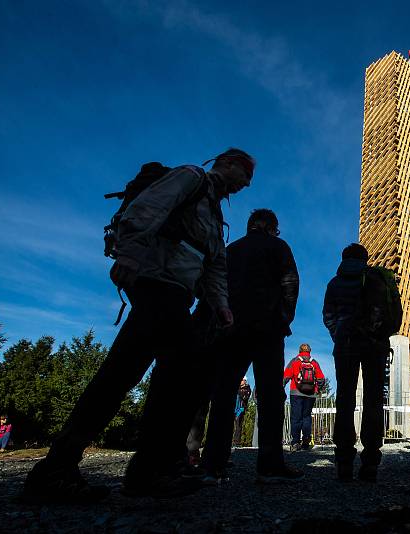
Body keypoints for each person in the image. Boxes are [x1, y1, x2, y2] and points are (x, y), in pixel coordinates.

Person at [23, 148, 255, 503]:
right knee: (158, 373)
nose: (246, 183)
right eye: (245, 173)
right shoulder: (191, 177)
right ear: (228, 163)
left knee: (147, 374)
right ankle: (126, 470)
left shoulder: (214, 212)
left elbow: (215, 264)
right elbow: (146, 209)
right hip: (157, 286)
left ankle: (131, 468)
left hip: (177, 295)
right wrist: (129, 255)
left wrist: (222, 305)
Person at [200, 208, 302, 483]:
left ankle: (213, 462)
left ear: (250, 226)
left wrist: (220, 319)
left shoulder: (231, 249)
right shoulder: (278, 247)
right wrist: (283, 317)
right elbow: (291, 284)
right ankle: (270, 462)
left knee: (223, 394)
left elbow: (214, 284)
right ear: (272, 226)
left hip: (231, 329)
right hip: (268, 330)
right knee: (270, 396)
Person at [323, 243, 402, 482]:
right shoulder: (375, 278)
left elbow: (328, 315)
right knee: (373, 400)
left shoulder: (334, 283)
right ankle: (370, 461)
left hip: (345, 345)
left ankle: (344, 460)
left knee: (345, 400)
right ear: (365, 258)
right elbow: (392, 313)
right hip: (375, 346)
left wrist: (339, 333)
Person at [283, 343, 326, 451]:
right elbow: (321, 378)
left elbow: (286, 376)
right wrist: (318, 389)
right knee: (306, 417)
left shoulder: (295, 360)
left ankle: (295, 442)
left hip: (296, 392)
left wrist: (282, 386)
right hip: (311, 394)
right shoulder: (314, 362)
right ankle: (306, 441)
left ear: (299, 350)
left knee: (296, 417)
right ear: (309, 351)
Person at [233, 377, 253, 446]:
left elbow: (245, 396)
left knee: (238, 425)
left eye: (243, 380)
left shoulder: (247, 388)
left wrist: (240, 392)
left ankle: (236, 442)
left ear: (245, 381)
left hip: (241, 409)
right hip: (234, 408)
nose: (242, 381)